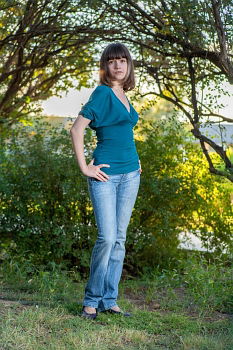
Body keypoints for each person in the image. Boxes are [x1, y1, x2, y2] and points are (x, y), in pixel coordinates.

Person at [70, 42, 142, 320]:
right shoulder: (102, 93)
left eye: (123, 60)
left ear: (128, 65)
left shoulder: (123, 92)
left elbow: (124, 133)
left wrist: (137, 161)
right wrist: (84, 167)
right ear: (105, 66)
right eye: (112, 61)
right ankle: (91, 300)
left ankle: (109, 300)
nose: (118, 65)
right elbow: (77, 130)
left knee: (120, 240)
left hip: (131, 175)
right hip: (105, 175)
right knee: (107, 237)